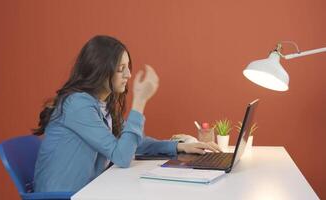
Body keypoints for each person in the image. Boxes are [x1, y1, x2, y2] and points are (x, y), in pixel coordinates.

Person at [33, 35, 221, 193]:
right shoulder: (77, 104)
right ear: (99, 70)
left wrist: (179, 147)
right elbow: (122, 156)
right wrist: (139, 102)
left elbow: (132, 143)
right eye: (120, 69)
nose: (129, 75)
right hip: (67, 195)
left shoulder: (101, 103)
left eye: (128, 67)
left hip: (90, 190)